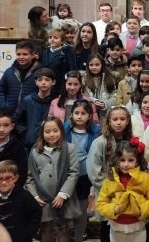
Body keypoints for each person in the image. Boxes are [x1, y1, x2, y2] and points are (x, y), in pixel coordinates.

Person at [96, 138, 149, 242]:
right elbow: (100, 203)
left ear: (137, 160)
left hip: (138, 227)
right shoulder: (110, 180)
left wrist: (142, 209)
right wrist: (113, 209)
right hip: (116, 227)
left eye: (130, 160)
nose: (126, 164)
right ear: (117, 160)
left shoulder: (145, 178)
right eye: (122, 160)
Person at [87, 106, 133, 242]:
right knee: (107, 225)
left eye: (122, 119)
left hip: (126, 192)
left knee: (123, 225)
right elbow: (93, 171)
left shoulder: (131, 141)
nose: (118, 122)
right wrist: (111, 188)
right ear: (108, 122)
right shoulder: (100, 142)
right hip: (106, 192)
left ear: (127, 121)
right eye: (115, 119)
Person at [64, 100, 100, 242]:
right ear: (71, 114)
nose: (79, 116)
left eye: (83, 113)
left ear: (90, 116)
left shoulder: (95, 131)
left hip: (84, 175)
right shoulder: (65, 128)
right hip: (67, 175)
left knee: (81, 209)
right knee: (65, 210)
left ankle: (79, 237)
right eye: (76, 113)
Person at [0, 160, 42, 242]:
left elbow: (36, 213)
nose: (3, 182)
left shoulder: (24, 196)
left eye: (8, 178)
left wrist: (28, 233)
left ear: (16, 178)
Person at [15, 67, 57, 149]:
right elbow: (16, 120)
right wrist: (25, 134)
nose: (43, 82)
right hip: (29, 144)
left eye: (47, 80)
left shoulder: (56, 102)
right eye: (40, 80)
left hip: (50, 143)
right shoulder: (27, 100)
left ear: (53, 82)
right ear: (36, 82)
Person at [0, 40, 41, 114]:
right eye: (18, 54)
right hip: (10, 115)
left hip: (30, 115)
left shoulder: (40, 73)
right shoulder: (9, 72)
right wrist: (3, 107)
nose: (21, 57)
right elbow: (0, 90)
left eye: (25, 54)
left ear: (33, 55)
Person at [40, 28, 77, 97]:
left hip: (59, 86)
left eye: (56, 38)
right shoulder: (46, 51)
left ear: (62, 41)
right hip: (45, 85)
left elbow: (72, 70)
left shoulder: (67, 51)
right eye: (50, 37)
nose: (52, 40)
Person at [82, 53, 117, 120]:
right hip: (89, 114)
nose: (94, 67)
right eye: (91, 65)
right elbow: (82, 96)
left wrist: (105, 104)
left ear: (102, 65)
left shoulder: (109, 78)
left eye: (97, 64)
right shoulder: (84, 79)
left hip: (105, 115)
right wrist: (91, 102)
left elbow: (114, 97)